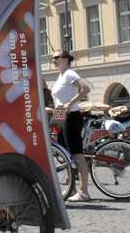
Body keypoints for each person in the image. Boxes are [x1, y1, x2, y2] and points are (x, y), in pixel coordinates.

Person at [51, 50, 91, 203]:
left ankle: (84, 191)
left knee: (76, 154)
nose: (53, 60)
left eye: (56, 57)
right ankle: (72, 188)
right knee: (65, 154)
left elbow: (85, 89)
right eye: (52, 58)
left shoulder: (69, 74)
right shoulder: (61, 75)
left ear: (66, 59)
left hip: (71, 116)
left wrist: (70, 103)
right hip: (61, 116)